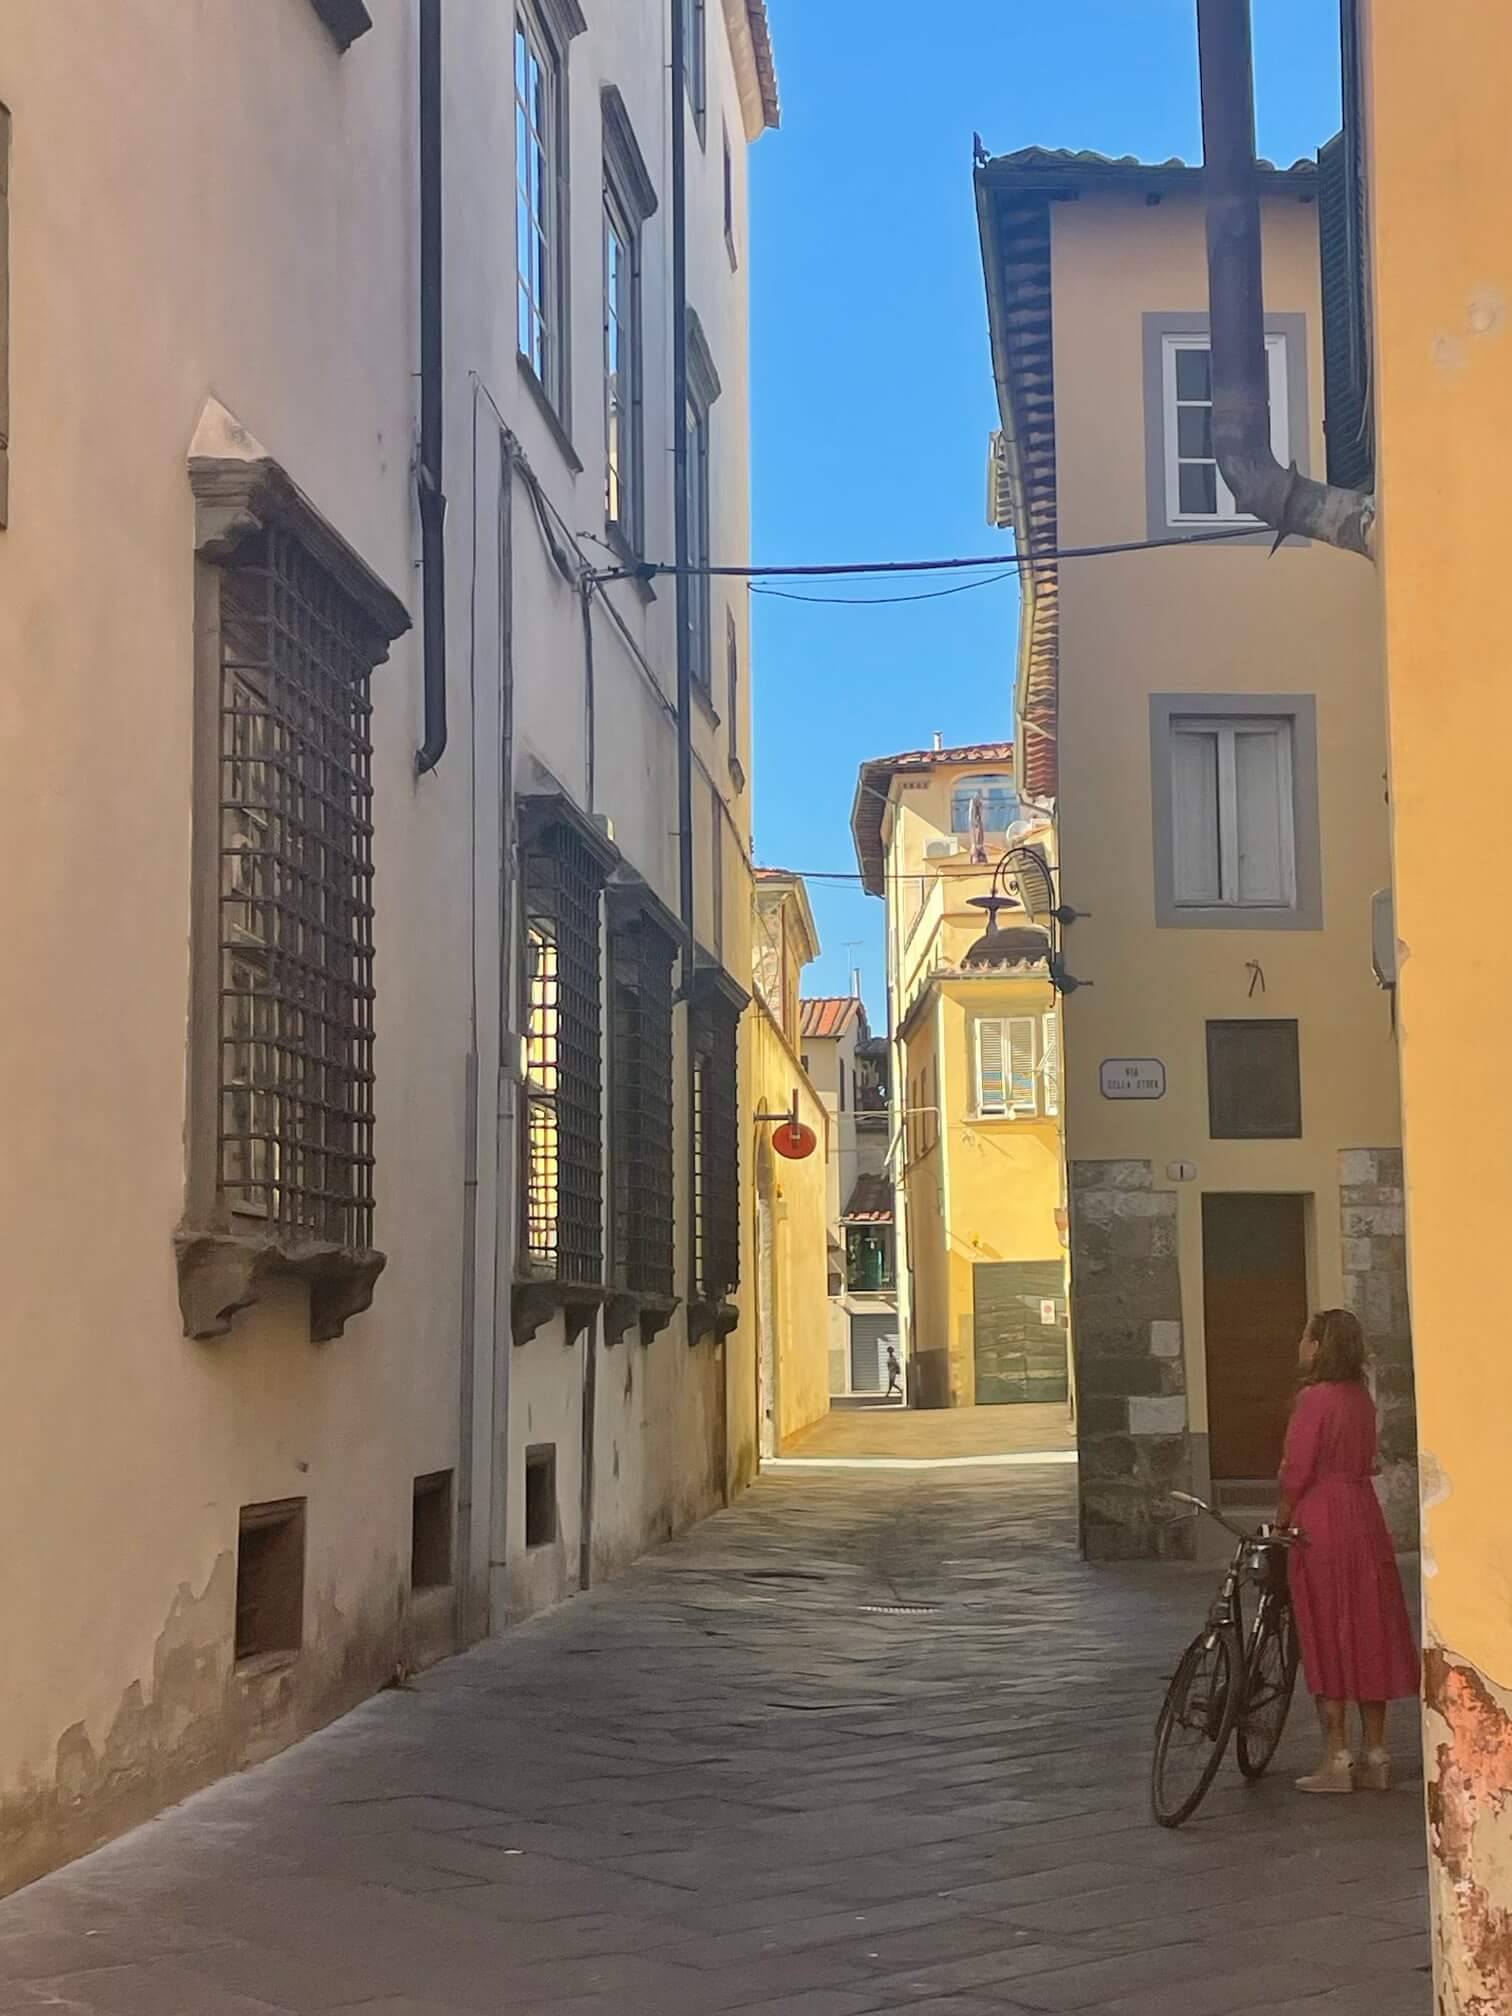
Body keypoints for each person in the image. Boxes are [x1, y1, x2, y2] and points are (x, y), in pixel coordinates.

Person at [1277, 1308, 1419, 1795]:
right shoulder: (1362, 1399)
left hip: (1321, 1517)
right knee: (1370, 1626)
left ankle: (1337, 1757)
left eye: (1305, 1337)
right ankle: (1377, 1753)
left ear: (1317, 1346)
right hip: (1363, 1514)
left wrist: (1281, 1516)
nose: (1300, 1345)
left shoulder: (1313, 1400)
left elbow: (1297, 1469)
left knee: (1327, 1630)